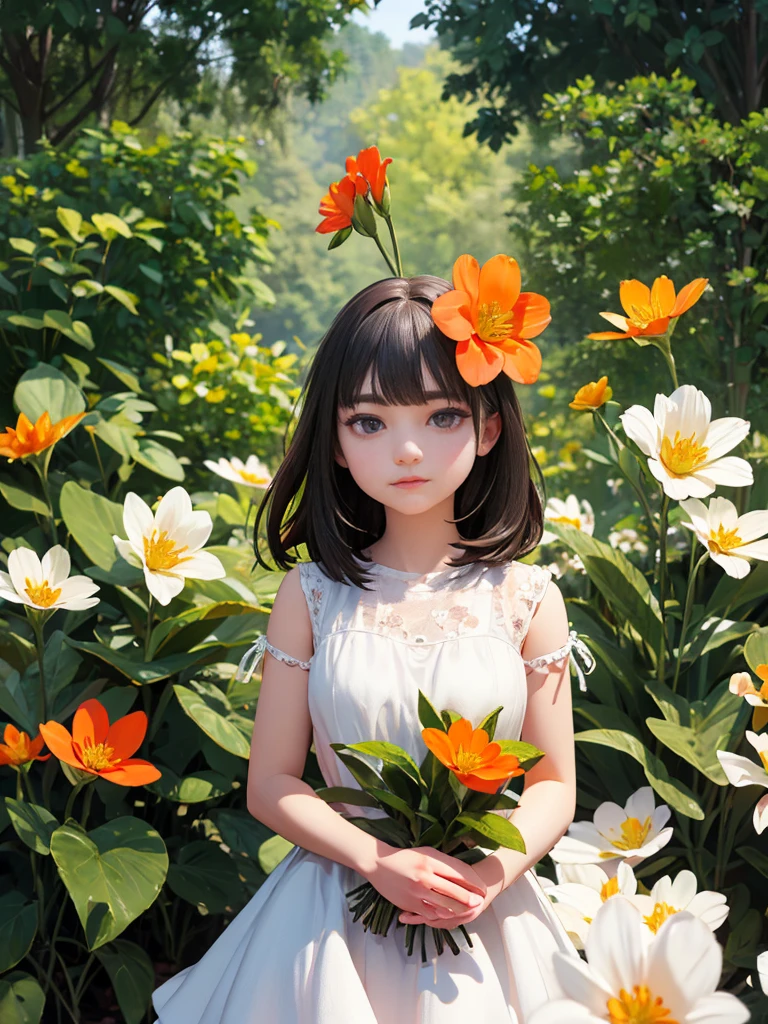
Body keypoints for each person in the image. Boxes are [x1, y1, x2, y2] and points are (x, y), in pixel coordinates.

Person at [152, 272, 594, 1023]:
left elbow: (554, 784)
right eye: (369, 422)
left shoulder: (527, 598)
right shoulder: (312, 596)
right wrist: (376, 860)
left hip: (482, 908)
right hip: (329, 912)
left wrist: (486, 874)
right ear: (333, 439)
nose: (409, 449)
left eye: (443, 416)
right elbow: (272, 784)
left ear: (490, 429)